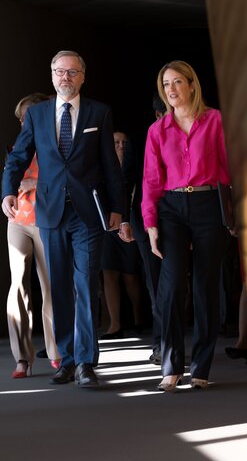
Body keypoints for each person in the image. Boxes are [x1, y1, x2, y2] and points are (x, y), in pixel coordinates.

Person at [1, 50, 130, 388]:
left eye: (72, 72)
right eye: (59, 71)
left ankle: (87, 362)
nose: (65, 78)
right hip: (51, 212)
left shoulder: (99, 112)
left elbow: (109, 164)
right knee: (58, 286)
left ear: (82, 77)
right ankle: (68, 360)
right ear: (52, 75)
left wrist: (119, 208)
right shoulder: (38, 115)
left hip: (88, 213)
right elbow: (17, 156)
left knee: (85, 284)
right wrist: (7, 191)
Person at [142, 60, 231, 391]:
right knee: (172, 284)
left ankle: (201, 367)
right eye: (166, 84)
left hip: (209, 205)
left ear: (192, 85)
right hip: (172, 208)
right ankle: (170, 365)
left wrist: (231, 214)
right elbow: (151, 180)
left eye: (177, 82)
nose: (171, 90)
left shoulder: (216, 121)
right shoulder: (157, 130)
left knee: (206, 286)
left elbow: (228, 168)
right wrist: (150, 224)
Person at [6, 93, 61, 378]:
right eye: (20, 117)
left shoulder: (55, 141)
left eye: (29, 114)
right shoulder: (18, 145)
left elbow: (65, 176)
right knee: (17, 286)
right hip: (18, 220)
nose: (24, 120)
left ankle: (56, 352)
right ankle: (22, 359)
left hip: (47, 221)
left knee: (51, 287)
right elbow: (9, 177)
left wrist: (33, 181)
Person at [129, 94, 166, 364]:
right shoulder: (148, 138)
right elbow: (129, 181)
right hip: (145, 220)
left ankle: (172, 343)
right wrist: (127, 221)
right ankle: (161, 345)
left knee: (177, 286)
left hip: (180, 220)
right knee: (155, 288)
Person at [100, 131, 144, 338]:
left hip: (131, 223)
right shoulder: (102, 167)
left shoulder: (135, 168)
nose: (121, 146)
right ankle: (115, 325)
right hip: (108, 224)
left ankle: (138, 318)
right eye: (116, 142)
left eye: (124, 142)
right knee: (109, 273)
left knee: (130, 275)